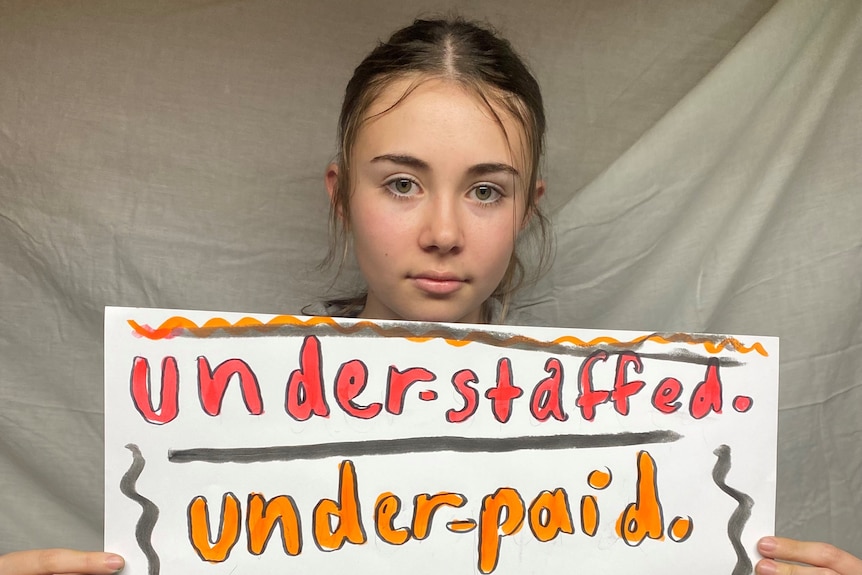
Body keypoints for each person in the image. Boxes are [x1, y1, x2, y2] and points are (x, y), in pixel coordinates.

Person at [1, 16, 859, 575]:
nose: (444, 230)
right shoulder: (219, 426)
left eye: (486, 190)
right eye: (402, 183)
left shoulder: (620, 447)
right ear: (339, 193)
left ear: (527, 208)